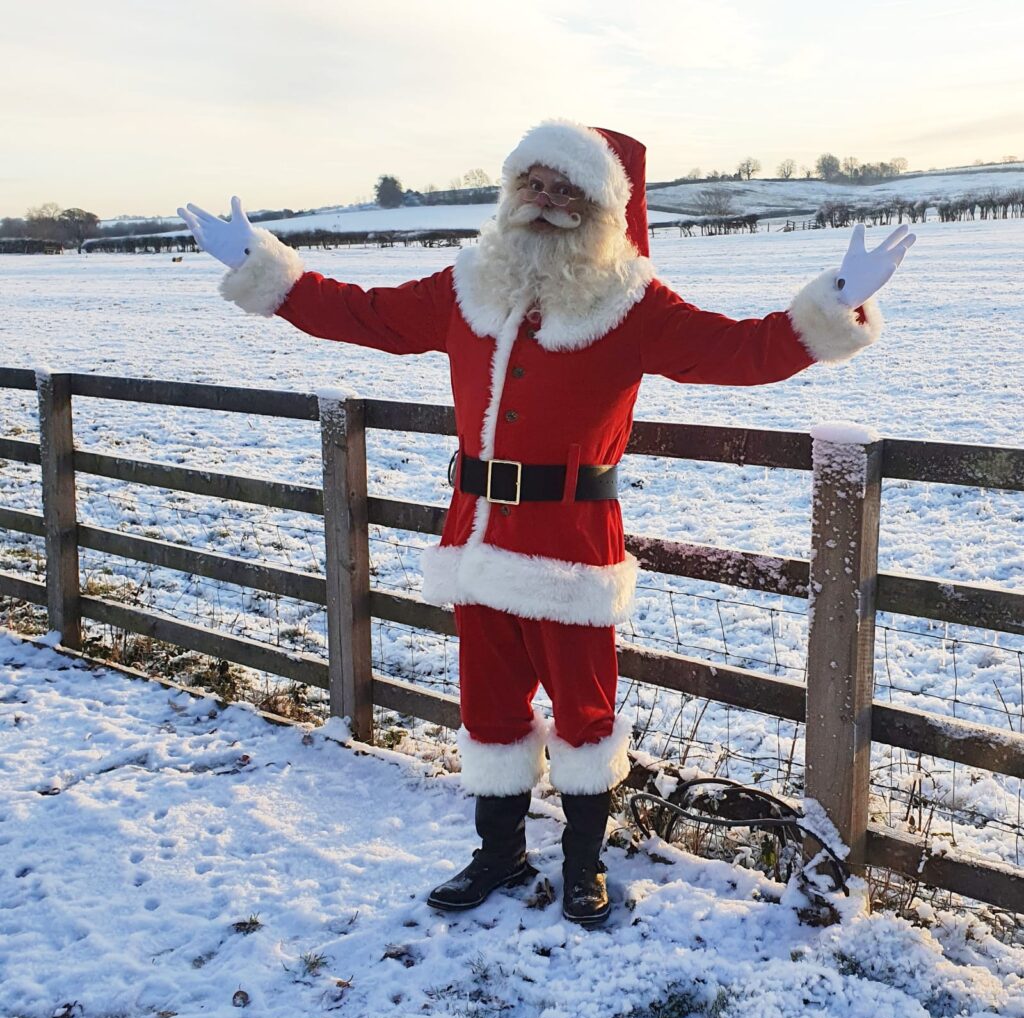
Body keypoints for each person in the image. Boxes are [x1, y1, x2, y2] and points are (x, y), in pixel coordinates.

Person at [178, 119, 914, 926]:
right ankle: (498, 854)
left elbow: (740, 353)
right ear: (511, 189)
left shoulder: (631, 303)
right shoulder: (468, 285)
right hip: (477, 535)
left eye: (570, 191)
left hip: (571, 545)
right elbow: (367, 315)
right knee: (488, 707)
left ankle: (584, 865)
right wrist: (262, 269)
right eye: (535, 184)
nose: (547, 202)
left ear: (604, 210)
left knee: (585, 714)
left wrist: (841, 301)